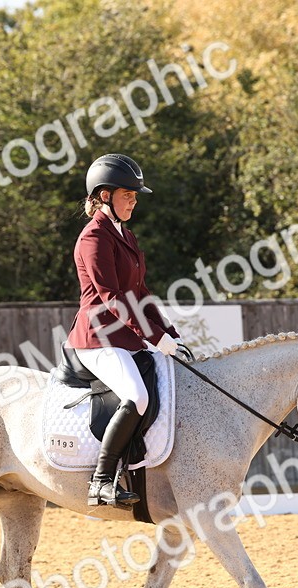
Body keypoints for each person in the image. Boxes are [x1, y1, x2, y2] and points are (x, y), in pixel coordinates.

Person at [66, 153, 188, 509]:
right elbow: (112, 297)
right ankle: (102, 481)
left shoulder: (126, 236)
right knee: (137, 396)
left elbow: (140, 293)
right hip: (98, 337)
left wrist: (170, 333)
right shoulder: (93, 238)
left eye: (135, 196)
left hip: (125, 336)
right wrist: (155, 338)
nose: (134, 201)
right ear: (105, 196)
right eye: (128, 195)